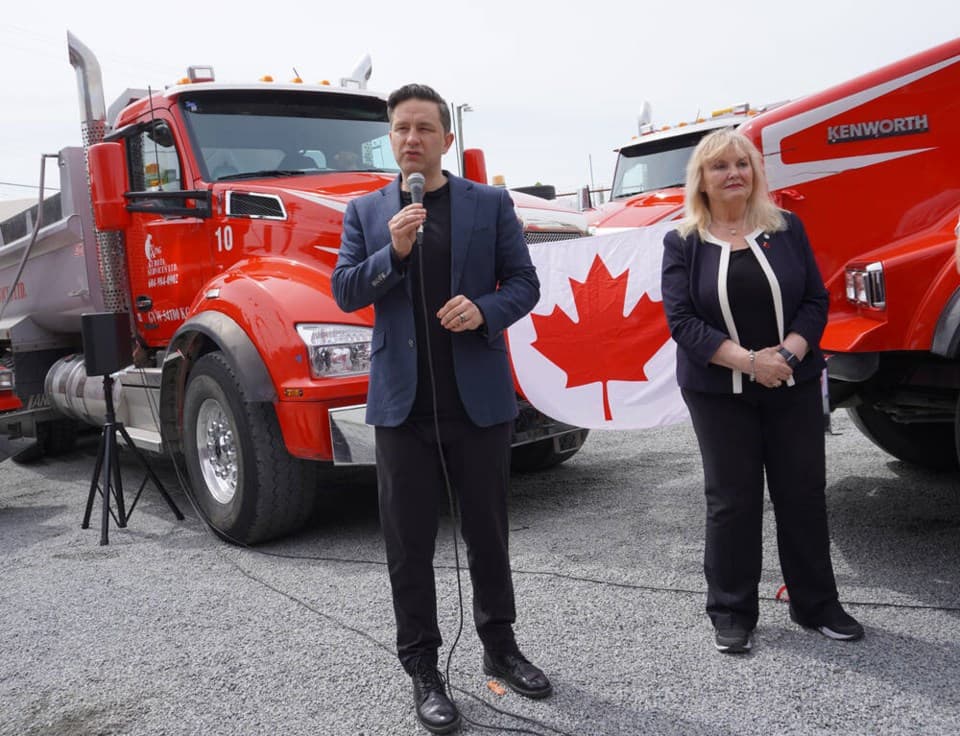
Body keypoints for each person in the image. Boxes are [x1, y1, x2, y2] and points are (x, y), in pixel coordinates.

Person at [331, 83, 551, 734]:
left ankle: (500, 647)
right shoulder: (367, 212)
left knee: (488, 534)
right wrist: (392, 251)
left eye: (424, 128)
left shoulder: (488, 204)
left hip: (476, 403)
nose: (412, 140)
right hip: (401, 407)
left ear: (446, 140)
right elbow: (345, 291)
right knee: (408, 545)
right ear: (390, 138)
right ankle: (424, 669)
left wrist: (485, 309)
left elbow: (525, 284)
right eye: (401, 129)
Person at [660, 128, 864, 655]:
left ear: (756, 173)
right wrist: (752, 363)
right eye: (720, 166)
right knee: (732, 500)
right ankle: (731, 610)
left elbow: (815, 301)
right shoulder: (682, 240)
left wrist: (788, 357)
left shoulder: (787, 228)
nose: (734, 173)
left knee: (802, 493)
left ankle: (816, 604)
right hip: (717, 389)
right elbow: (681, 320)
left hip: (791, 381)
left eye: (743, 164)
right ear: (700, 180)